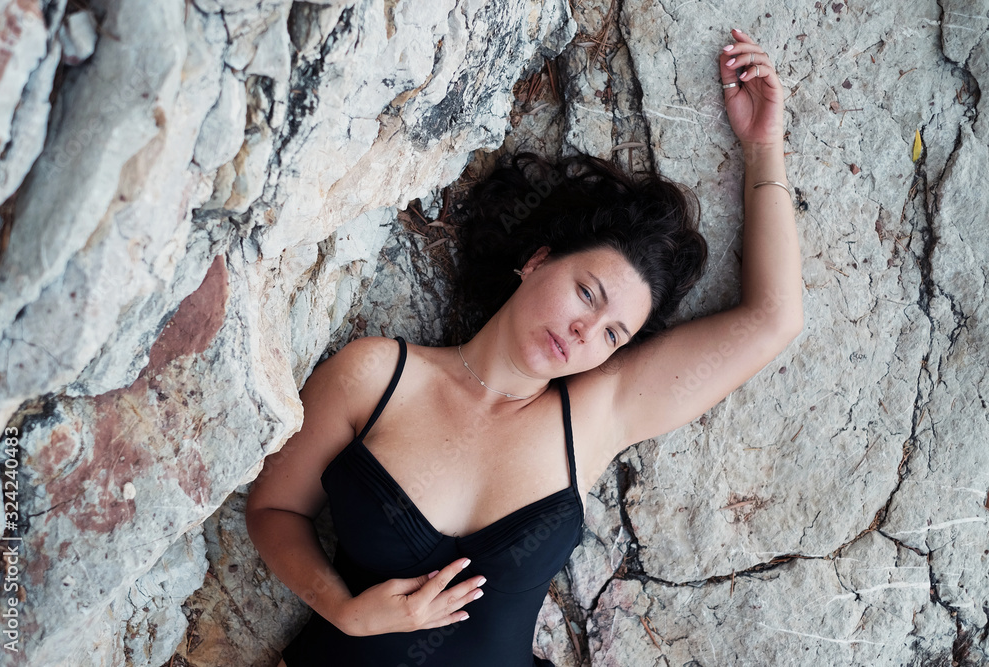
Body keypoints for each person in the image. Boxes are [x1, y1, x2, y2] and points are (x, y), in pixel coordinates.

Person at [246, 27, 801, 667]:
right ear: (537, 261)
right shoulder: (374, 378)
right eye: (587, 293)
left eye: (614, 333)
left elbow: (773, 319)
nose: (585, 333)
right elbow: (274, 507)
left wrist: (764, 148)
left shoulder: (593, 420)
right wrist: (346, 609)